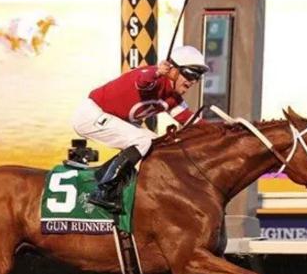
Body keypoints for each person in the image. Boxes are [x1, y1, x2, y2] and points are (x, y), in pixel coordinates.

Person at [71, 45, 209, 212]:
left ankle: (104, 175)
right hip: (91, 114)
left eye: (197, 77)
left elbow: (191, 121)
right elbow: (143, 81)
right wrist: (157, 72)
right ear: (172, 70)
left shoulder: (174, 98)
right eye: (190, 74)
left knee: (158, 144)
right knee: (143, 140)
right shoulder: (153, 77)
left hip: (111, 118)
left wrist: (224, 129)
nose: (193, 81)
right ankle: (104, 192)